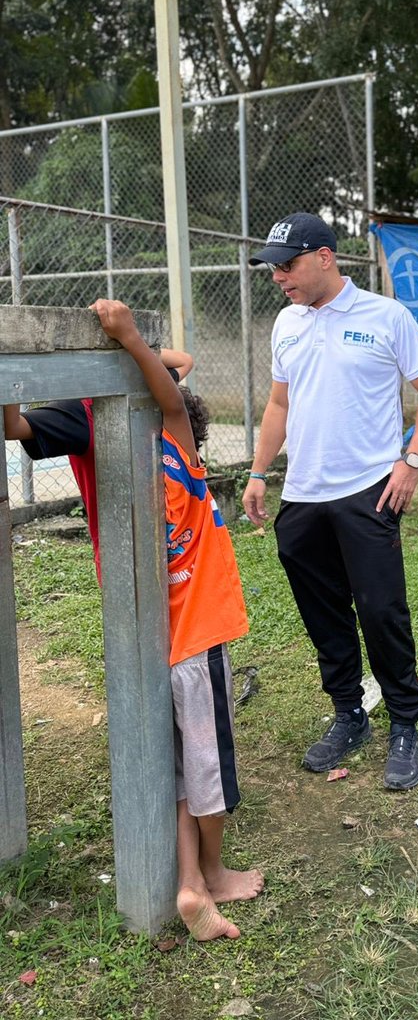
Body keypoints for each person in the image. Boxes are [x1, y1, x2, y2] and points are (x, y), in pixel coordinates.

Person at [242, 212, 418, 791]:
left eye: (288, 265)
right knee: (323, 613)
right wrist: (260, 473)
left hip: (368, 490)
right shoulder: (286, 323)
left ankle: (405, 722)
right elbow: (280, 405)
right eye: (272, 268)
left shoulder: (386, 315)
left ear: (325, 257)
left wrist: (410, 461)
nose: (278, 277)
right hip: (303, 494)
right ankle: (349, 712)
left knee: (381, 609)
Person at [90, 299, 263, 941]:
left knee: (178, 772)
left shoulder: (124, 477)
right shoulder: (178, 460)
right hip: (198, 640)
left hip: (151, 648)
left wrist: (119, 350)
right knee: (208, 768)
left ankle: (189, 884)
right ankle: (213, 874)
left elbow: (168, 387)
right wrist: (131, 338)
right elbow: (170, 396)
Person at [3, 347, 193, 583]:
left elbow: (184, 361)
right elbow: (13, 428)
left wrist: (125, 340)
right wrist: (11, 373)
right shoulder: (76, 412)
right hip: (120, 547)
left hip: (176, 537)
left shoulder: (143, 387)